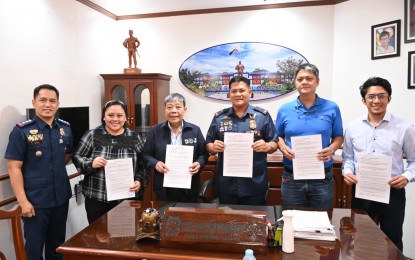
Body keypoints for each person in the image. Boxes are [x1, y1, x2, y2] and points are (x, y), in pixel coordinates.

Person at [342, 77, 415, 251]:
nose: (376, 101)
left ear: (389, 98)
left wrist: (406, 177)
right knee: (360, 238)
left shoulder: (404, 128)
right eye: (371, 97)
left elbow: (413, 161)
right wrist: (347, 172)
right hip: (362, 191)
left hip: (392, 192)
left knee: (392, 239)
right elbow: (348, 158)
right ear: (364, 100)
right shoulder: (352, 127)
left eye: (381, 96)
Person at [4, 84, 73, 260]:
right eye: (43, 100)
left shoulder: (65, 129)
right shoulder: (22, 131)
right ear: (34, 102)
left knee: (57, 247)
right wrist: (23, 201)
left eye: (52, 101)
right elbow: (14, 167)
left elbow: (67, 155)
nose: (47, 104)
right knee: (34, 250)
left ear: (58, 104)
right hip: (35, 203)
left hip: (60, 199)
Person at [276, 63, 343, 209]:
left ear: (317, 81)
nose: (304, 82)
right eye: (300, 79)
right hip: (291, 176)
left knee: (321, 223)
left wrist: (332, 149)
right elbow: (278, 136)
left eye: (309, 78)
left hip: (322, 177)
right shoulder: (284, 109)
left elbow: (339, 136)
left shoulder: (332, 107)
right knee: (292, 221)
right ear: (295, 82)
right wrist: (282, 147)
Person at [72, 100, 148, 224]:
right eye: (110, 115)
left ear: (125, 118)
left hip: (126, 199)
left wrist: (139, 181)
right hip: (97, 199)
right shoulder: (92, 135)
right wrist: (91, 163)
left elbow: (144, 165)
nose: (115, 119)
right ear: (103, 117)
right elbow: (77, 156)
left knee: (126, 238)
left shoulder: (134, 137)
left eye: (119, 115)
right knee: (98, 237)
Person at [206, 76, 278, 205]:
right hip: (227, 184)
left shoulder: (262, 116)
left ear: (250, 92)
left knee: (254, 221)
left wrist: (267, 146)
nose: (238, 94)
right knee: (228, 221)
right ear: (229, 94)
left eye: (242, 90)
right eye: (234, 91)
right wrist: (213, 147)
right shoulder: (219, 117)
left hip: (254, 183)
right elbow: (208, 144)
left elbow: (274, 143)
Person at [143, 93, 208, 202]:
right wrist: (156, 163)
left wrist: (199, 163)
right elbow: (146, 155)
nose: (174, 111)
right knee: (165, 216)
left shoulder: (195, 130)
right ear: (165, 110)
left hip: (189, 185)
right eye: (169, 107)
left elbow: (204, 154)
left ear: (185, 110)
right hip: (164, 186)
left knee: (188, 217)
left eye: (178, 107)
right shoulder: (155, 131)